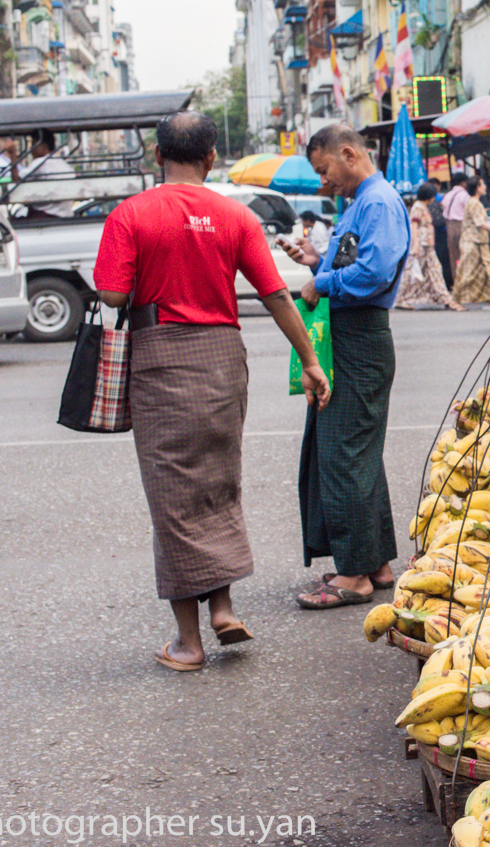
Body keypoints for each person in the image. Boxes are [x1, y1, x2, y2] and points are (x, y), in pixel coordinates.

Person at [92, 111, 332, 672]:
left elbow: (111, 293)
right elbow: (274, 294)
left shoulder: (132, 214)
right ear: (211, 158)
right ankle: (222, 608)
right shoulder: (234, 215)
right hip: (224, 358)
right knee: (219, 480)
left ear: (157, 157)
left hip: (162, 357)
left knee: (173, 493)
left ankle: (188, 641)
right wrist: (310, 359)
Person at [280, 124, 410, 610]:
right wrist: (317, 262)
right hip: (350, 337)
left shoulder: (377, 201)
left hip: (361, 338)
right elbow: (354, 265)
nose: (324, 181)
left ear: (349, 154)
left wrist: (323, 282)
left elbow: (373, 273)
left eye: (325, 169)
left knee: (344, 454)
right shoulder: (361, 203)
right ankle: (373, 563)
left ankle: (352, 575)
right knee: (356, 453)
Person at [396, 182, 466, 312]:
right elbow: (414, 226)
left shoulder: (423, 206)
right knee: (412, 271)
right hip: (421, 244)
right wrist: (416, 244)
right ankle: (400, 299)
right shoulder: (418, 207)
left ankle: (446, 299)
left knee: (434, 270)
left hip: (427, 245)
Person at [455, 177, 490, 309]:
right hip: (472, 242)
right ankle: (456, 300)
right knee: (467, 272)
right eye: (483, 184)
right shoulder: (474, 203)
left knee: (488, 271)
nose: (484, 186)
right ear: (478, 188)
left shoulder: (475, 203)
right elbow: (480, 223)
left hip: (479, 241)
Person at [8, 129, 77, 217]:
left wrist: (13, 155)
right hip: (65, 215)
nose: (31, 149)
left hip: (45, 216)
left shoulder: (41, 162)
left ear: (44, 146)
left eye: (34, 144)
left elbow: (16, 180)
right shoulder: (64, 164)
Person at [422, 177, 453, 287]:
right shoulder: (438, 198)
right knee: (444, 259)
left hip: (433, 234)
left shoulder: (424, 202)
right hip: (441, 232)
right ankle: (447, 282)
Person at [441, 172, 469, 278]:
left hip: (450, 226)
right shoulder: (464, 195)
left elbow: (444, 212)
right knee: (465, 254)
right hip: (462, 226)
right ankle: (465, 280)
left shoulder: (447, 195)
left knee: (454, 256)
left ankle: (457, 280)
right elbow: (469, 211)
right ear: (463, 183)